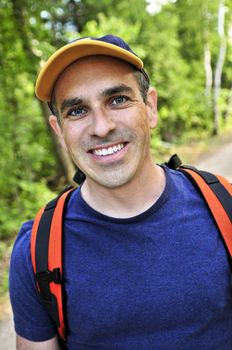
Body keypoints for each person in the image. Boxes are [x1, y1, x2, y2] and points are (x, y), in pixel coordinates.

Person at [9, 35, 232, 350]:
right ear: (59, 131)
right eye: (76, 111)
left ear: (150, 107)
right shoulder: (36, 251)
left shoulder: (225, 207)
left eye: (117, 100)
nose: (101, 127)